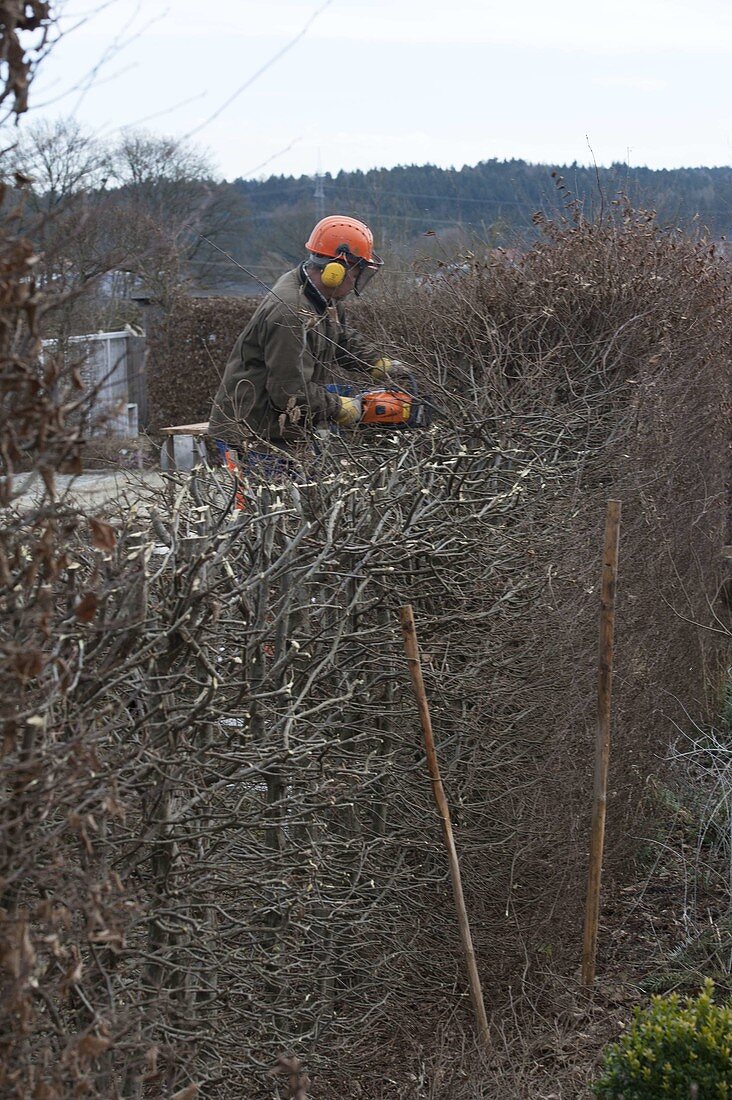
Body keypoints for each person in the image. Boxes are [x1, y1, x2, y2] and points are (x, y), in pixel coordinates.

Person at [208, 215, 395, 468]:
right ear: (334, 270)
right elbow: (289, 392)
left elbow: (340, 338)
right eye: (358, 273)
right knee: (273, 507)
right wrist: (344, 408)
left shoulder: (320, 296)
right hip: (252, 433)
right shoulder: (290, 312)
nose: (358, 283)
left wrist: (381, 365)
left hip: (280, 428)